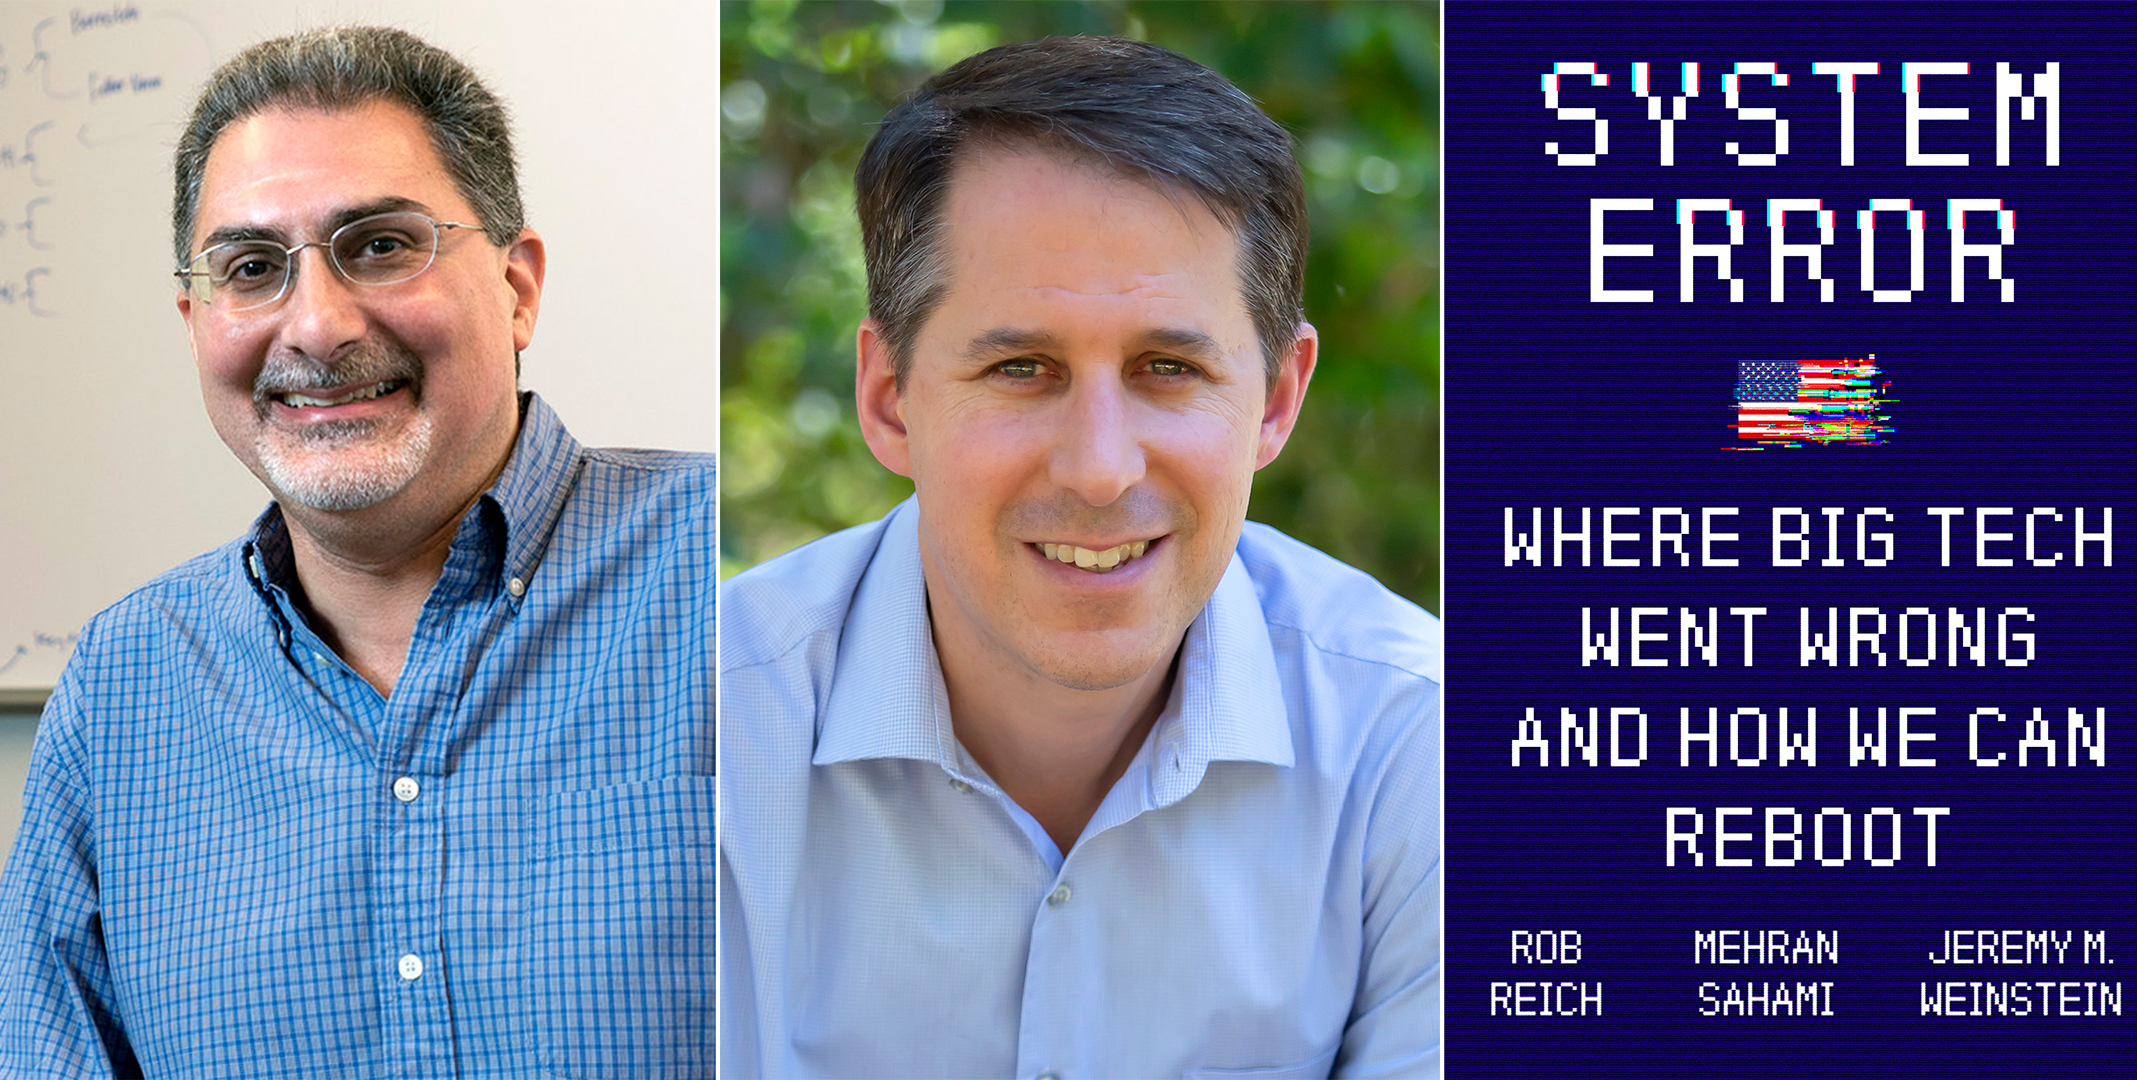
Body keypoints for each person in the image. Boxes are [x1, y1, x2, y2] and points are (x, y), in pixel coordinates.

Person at [0, 27, 714, 1077]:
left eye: (380, 245)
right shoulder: (122, 693)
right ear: (196, 320)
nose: (319, 327)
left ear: (517, 288)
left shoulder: (737, 578)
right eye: (252, 269)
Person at [721, 36, 1437, 1078]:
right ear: (891, 399)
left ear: (1276, 400)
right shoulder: (700, 731)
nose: (1100, 470)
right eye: (1021, 367)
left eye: (1168, 366)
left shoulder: (1422, 747)